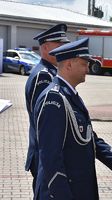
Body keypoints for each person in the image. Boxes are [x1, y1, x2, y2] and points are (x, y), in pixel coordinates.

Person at [33, 38, 112, 199]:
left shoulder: (70, 95)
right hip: (64, 192)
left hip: (79, 189)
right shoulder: (54, 100)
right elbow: (50, 158)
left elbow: (90, 139)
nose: (88, 69)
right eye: (84, 64)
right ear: (69, 65)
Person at [24, 23, 70, 192]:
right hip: (43, 154)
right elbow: (44, 121)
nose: (63, 48)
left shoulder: (50, 72)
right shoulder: (43, 75)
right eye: (59, 45)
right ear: (45, 47)